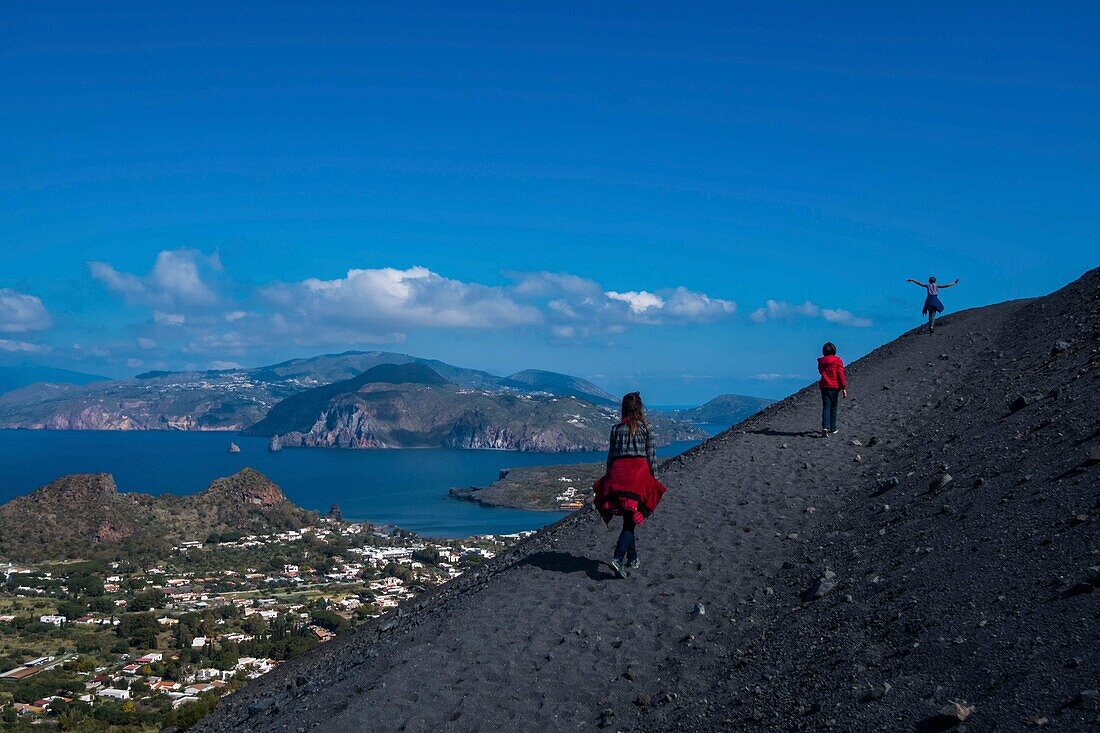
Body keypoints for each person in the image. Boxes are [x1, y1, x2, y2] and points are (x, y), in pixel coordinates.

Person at [592, 392, 667, 578]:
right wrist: (655, 482)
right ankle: (618, 558)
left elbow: (611, 458)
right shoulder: (646, 429)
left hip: (618, 475)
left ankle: (632, 558)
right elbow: (651, 458)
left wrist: (608, 480)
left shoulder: (615, 429)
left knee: (628, 516)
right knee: (630, 520)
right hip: (637, 478)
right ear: (639, 408)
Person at [818, 342, 847, 437]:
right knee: (833, 407)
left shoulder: (821, 362)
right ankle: (833, 428)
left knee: (826, 406)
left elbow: (821, 372)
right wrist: (844, 387)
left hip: (824, 386)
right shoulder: (838, 360)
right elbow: (840, 374)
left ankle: (825, 427)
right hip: (835, 387)